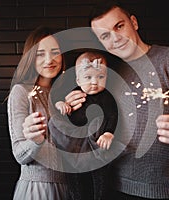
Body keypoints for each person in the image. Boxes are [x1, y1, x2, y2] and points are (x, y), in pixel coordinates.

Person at [64, 0, 169, 199]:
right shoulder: (105, 74)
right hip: (108, 186)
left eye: (119, 26)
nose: (115, 38)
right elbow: (87, 127)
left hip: (161, 190)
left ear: (133, 22)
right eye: (105, 36)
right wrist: (73, 106)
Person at [7, 26, 72, 200]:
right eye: (40, 53)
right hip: (39, 188)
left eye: (55, 52)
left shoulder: (65, 92)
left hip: (71, 186)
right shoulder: (21, 92)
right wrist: (36, 140)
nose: (49, 60)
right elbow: (20, 155)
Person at [49, 51, 118, 200]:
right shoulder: (75, 93)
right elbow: (64, 112)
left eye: (100, 77)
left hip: (96, 146)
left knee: (101, 179)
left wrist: (109, 133)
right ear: (78, 80)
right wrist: (61, 104)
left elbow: (112, 115)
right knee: (74, 180)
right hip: (75, 146)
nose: (94, 82)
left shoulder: (107, 97)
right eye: (88, 77)